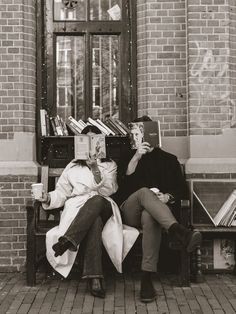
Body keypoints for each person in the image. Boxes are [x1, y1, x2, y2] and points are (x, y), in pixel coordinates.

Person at [33, 125, 139, 298]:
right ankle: (95, 277)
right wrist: (48, 198)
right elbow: (62, 192)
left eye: (94, 139)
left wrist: (95, 168)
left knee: (96, 200)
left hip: (103, 205)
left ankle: (69, 239)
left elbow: (108, 190)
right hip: (79, 210)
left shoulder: (109, 164)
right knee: (94, 221)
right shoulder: (73, 166)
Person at [113, 115, 202, 303]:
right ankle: (179, 231)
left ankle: (146, 279)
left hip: (155, 214)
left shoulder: (169, 160)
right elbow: (123, 186)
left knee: (150, 216)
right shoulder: (128, 157)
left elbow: (180, 190)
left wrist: (167, 197)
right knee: (145, 193)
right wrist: (137, 156)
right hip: (129, 211)